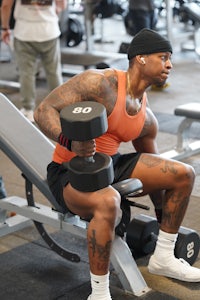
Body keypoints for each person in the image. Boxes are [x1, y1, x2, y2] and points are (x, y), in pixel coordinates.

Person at [34, 29, 200, 300]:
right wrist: (70, 142)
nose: (170, 64)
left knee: (183, 174)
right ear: (141, 59)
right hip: (70, 170)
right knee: (109, 201)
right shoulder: (100, 84)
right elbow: (43, 111)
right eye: (163, 57)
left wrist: (162, 218)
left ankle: (164, 257)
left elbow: (158, 172)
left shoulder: (145, 117)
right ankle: (98, 293)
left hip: (109, 164)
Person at [1, 0, 67, 122]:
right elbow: (62, 4)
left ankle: (28, 110)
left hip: (24, 32)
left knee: (26, 73)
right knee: (53, 72)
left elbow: (5, 6)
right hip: (49, 30)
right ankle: (60, 108)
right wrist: (53, 12)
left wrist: (5, 28)